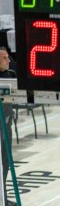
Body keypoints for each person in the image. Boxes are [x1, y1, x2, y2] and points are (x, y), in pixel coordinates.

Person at [0, 47, 15, 189]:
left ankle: (3, 195)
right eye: (4, 58)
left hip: (7, 124)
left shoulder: (10, 74)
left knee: (6, 162)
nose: (8, 60)